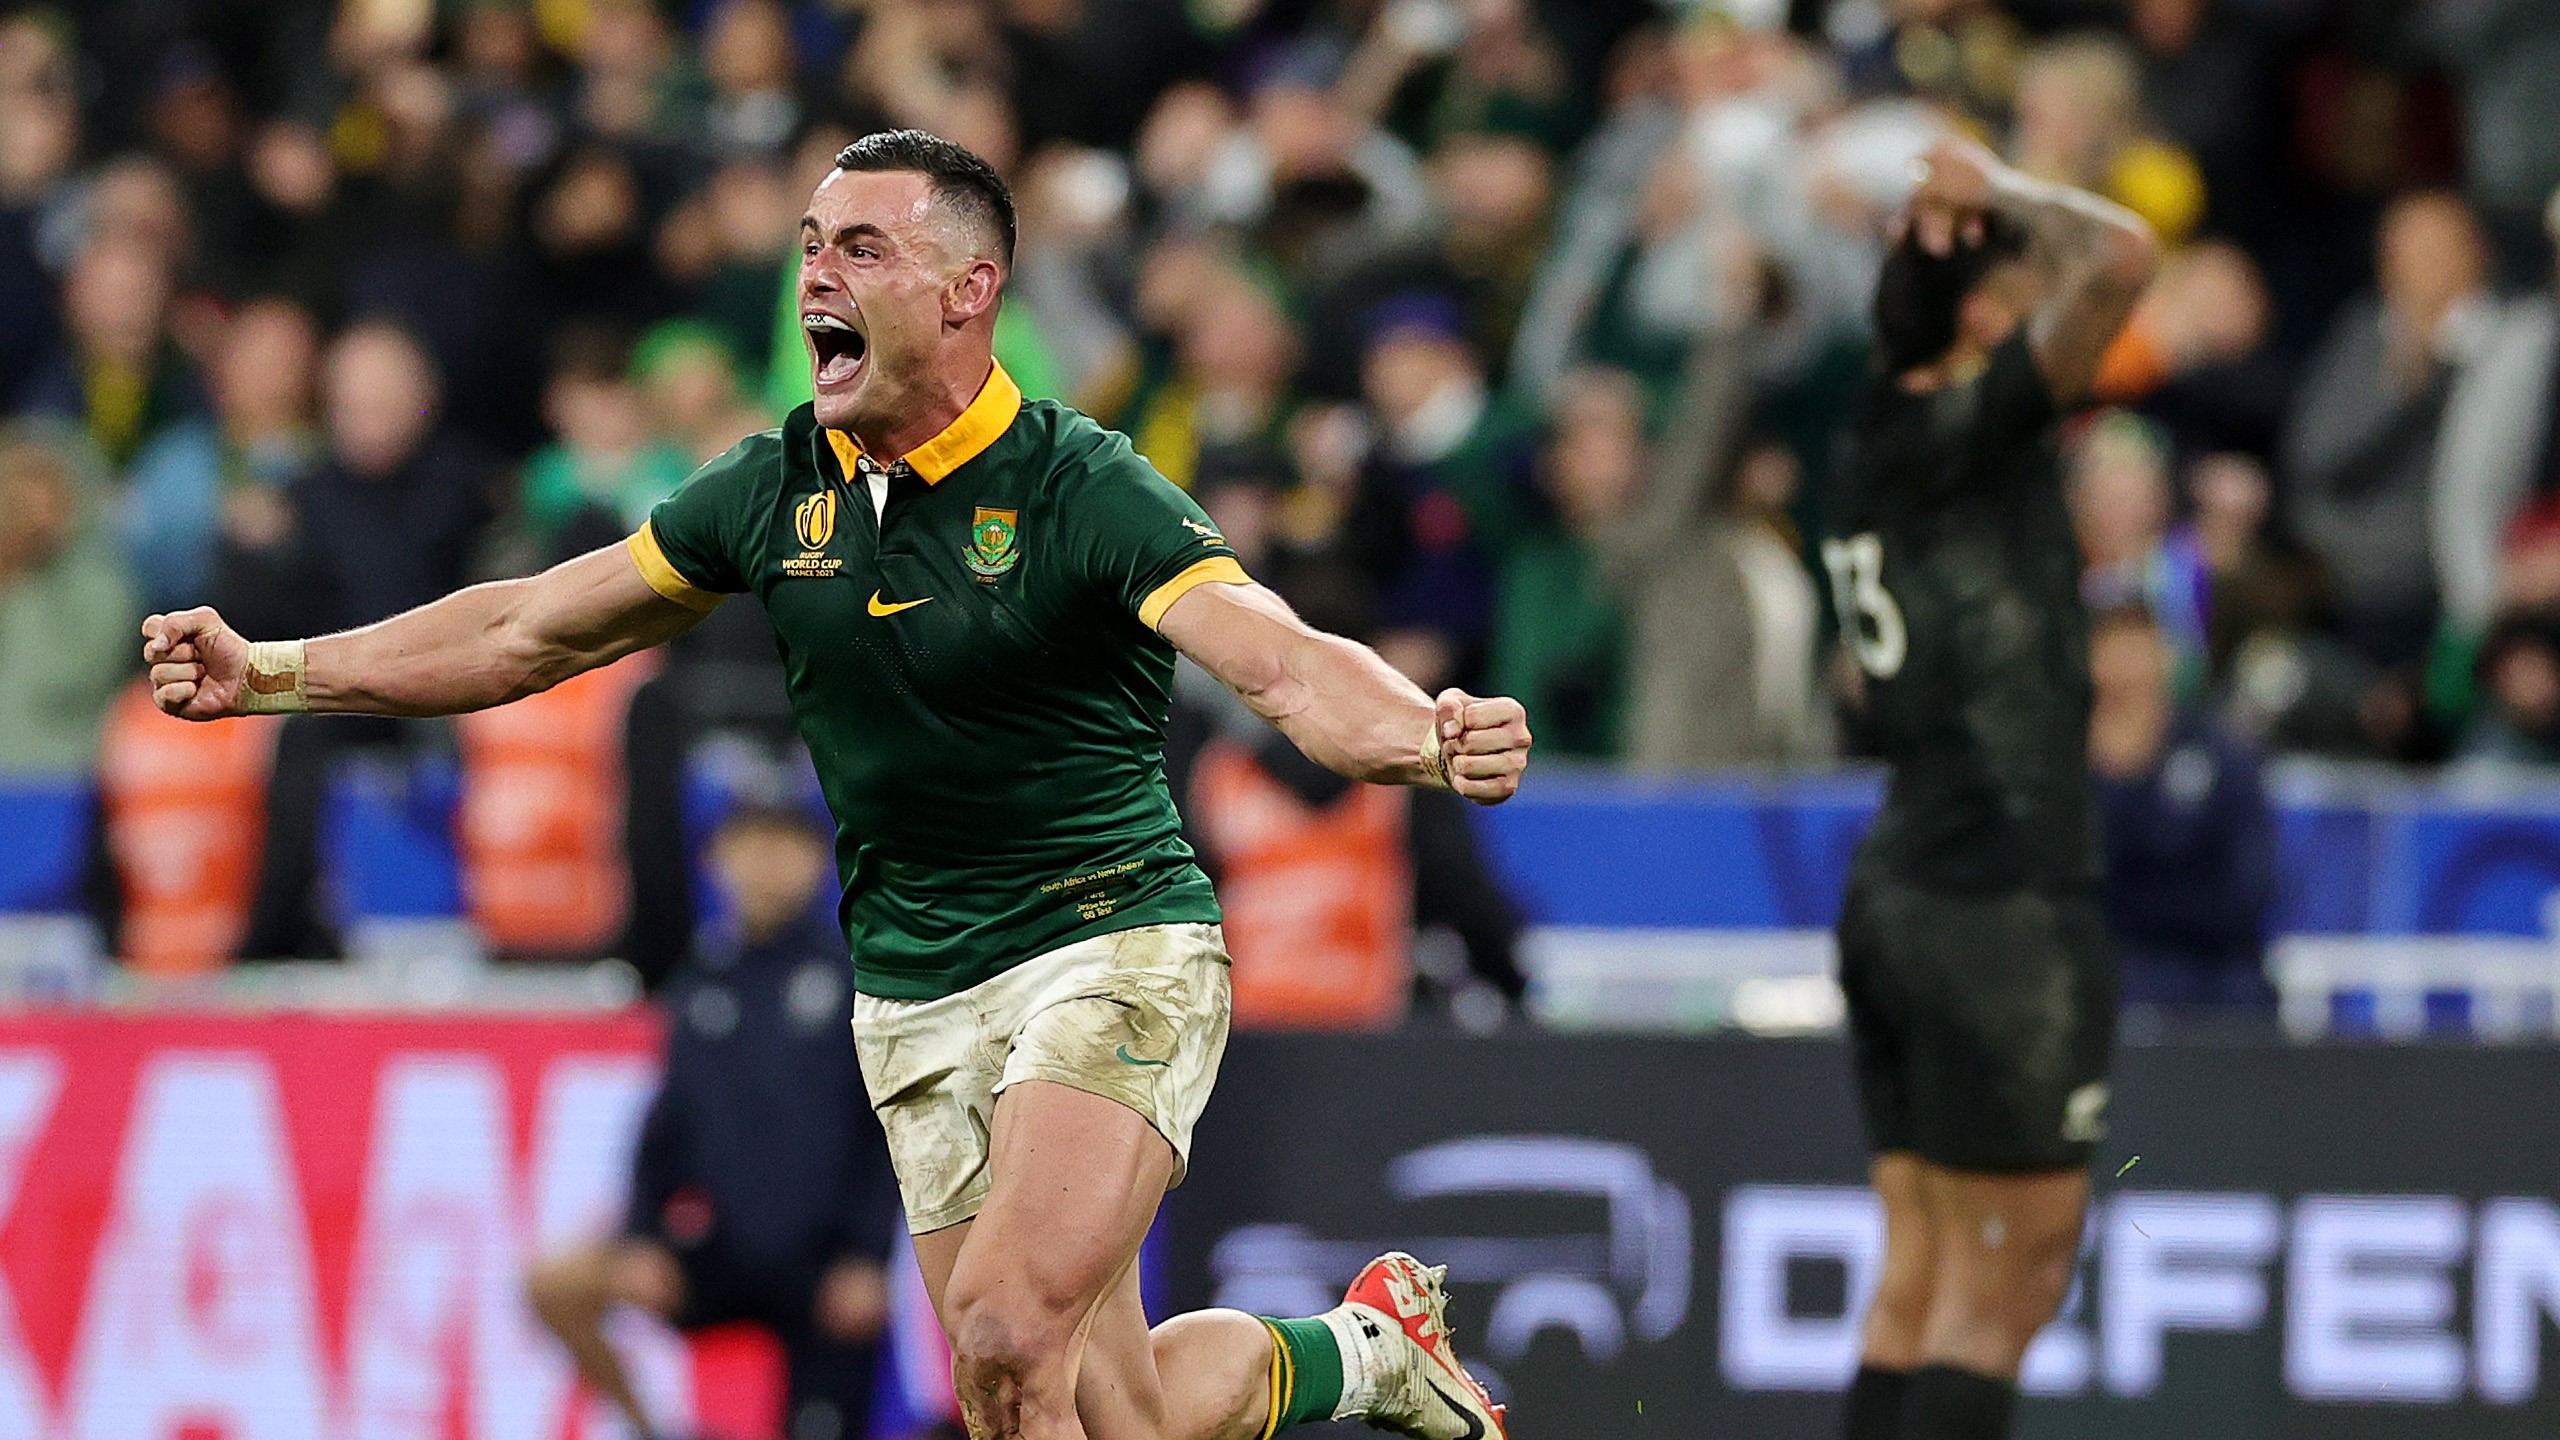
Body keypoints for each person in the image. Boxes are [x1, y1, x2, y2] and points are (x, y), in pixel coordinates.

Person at [143, 130, 1529, 1440]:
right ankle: (1370, 1354)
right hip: (915, 989)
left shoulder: (1080, 485)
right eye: (810, 244)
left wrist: (1426, 735)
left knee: (998, 1328)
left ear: (969, 289)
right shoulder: (771, 492)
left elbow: (1281, 665)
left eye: (862, 247)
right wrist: (269, 672)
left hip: (1108, 949)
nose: (816, 273)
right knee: (1109, 1409)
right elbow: (523, 631)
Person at [1820, 136, 2156, 1440]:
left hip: (1901, 877)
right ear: (1977, 320)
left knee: (1919, 1267)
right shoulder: (1970, 428)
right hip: (2001, 901)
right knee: (2007, 1284)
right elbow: (2125, 257)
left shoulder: (1859, 441)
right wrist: (1996, 190)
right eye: (2014, 298)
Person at [526, 801, 901, 1440]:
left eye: (784, 844)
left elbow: (887, 1125)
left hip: (824, 1264)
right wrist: (645, 1234)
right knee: (556, 1284)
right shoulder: (701, 982)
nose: (765, 863)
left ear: (819, 860)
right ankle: (657, 1429)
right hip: (721, 1247)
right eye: (749, 843)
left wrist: (869, 1256)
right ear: (716, 860)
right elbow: (665, 1130)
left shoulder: (855, 974)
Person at [2087, 604, 2277, 1019]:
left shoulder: (2225, 756)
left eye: (2140, 652)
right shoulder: (2067, 768)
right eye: (2113, 653)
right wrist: (2115, 780)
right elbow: (2077, 891)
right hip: (2120, 972)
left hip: (2217, 972)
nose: (2129, 672)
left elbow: (2247, 894)